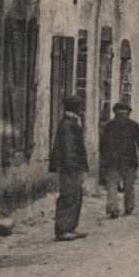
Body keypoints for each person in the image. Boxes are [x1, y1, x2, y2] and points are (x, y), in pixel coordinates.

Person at [99, 100, 139, 219]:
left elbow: (103, 144)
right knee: (129, 184)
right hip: (129, 159)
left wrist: (103, 158)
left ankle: (113, 208)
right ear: (127, 113)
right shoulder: (133, 125)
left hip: (112, 160)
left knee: (112, 184)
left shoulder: (109, 125)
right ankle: (129, 206)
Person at [49, 93, 89, 240]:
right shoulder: (67, 124)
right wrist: (74, 167)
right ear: (76, 108)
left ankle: (70, 227)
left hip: (72, 166)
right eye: (79, 106)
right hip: (69, 168)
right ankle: (63, 229)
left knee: (75, 196)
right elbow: (69, 148)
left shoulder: (72, 122)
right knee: (68, 196)